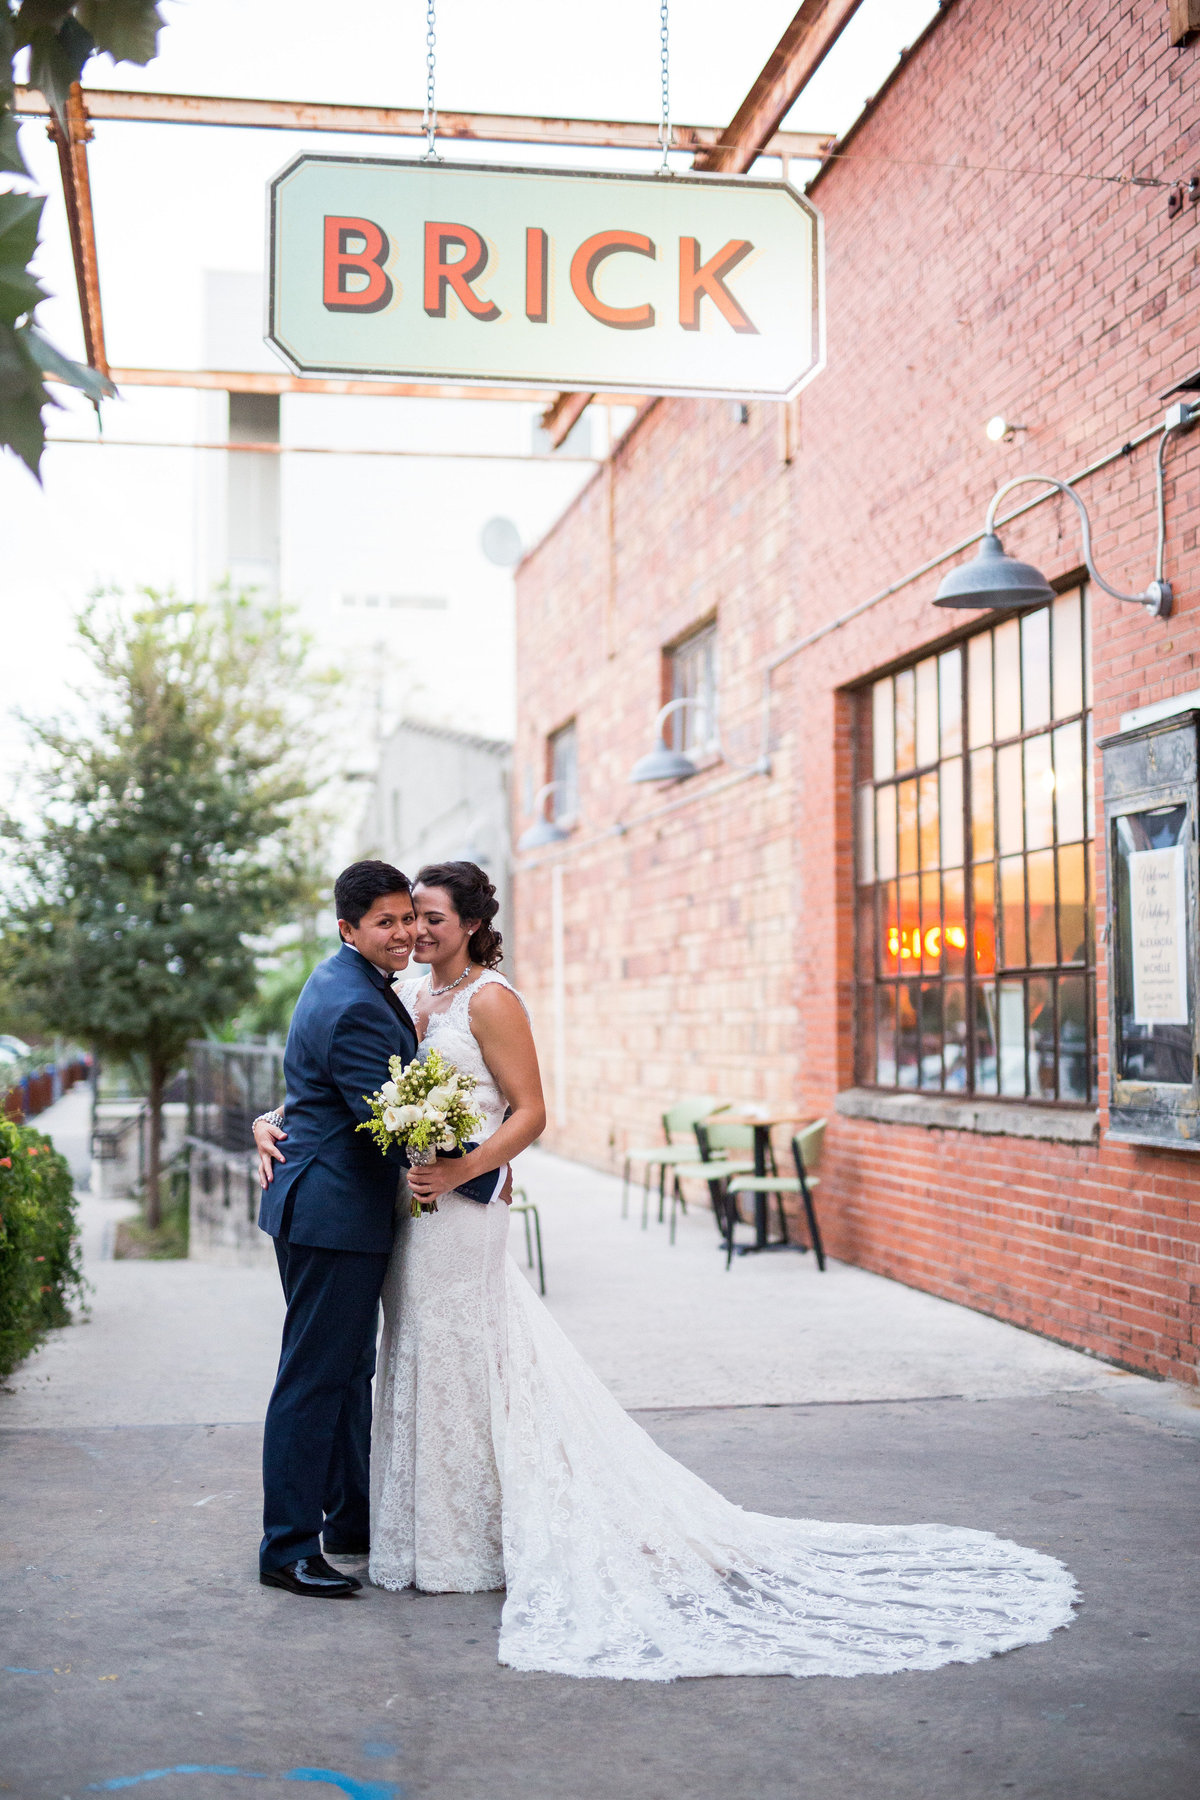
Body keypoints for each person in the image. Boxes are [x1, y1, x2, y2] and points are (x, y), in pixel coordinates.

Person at [257, 860, 1077, 1678]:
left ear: (468, 923)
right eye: (402, 920)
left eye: (426, 917)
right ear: (357, 929)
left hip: (455, 1205)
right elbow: (352, 1077)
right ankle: (396, 1524)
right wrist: (277, 1117)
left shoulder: (488, 1000)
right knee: (403, 1360)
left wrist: (468, 1168)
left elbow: (529, 1108)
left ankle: (446, 1527)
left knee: (458, 1352)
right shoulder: (400, 995)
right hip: (399, 1210)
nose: (414, 932)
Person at [255, 860, 506, 1599]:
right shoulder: (361, 1001)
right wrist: (484, 1176)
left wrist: (275, 1118)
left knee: (343, 1376)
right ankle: (288, 1547)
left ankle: (349, 1520)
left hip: (325, 1208)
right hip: (333, 1216)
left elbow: (326, 1087)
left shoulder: (352, 982)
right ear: (348, 930)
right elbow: (391, 1124)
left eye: (410, 918)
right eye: (387, 923)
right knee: (316, 1381)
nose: (403, 934)